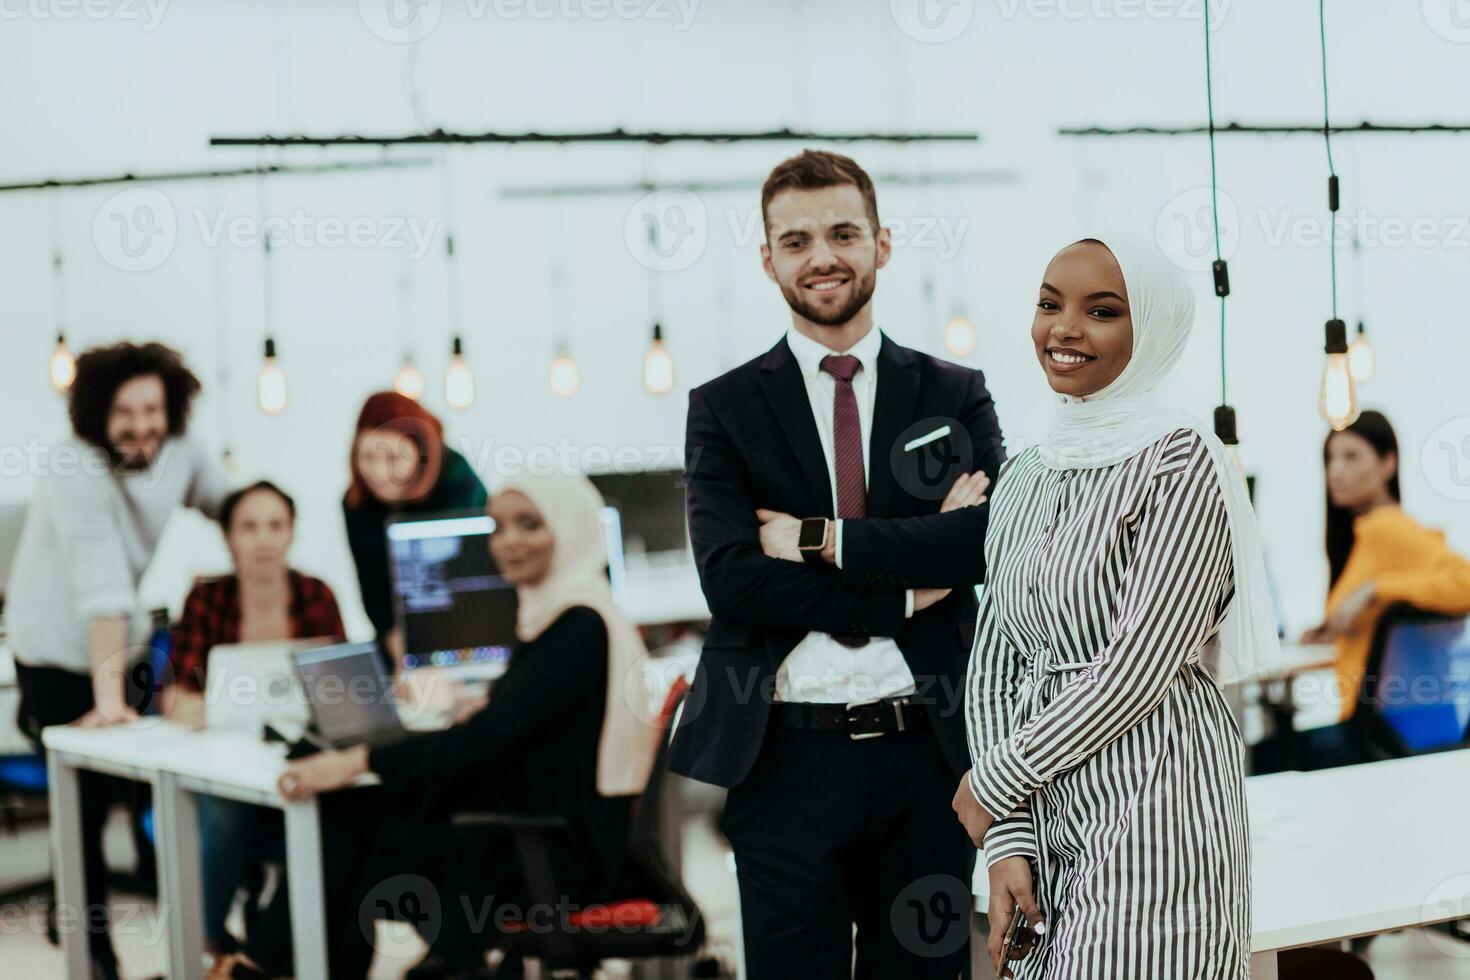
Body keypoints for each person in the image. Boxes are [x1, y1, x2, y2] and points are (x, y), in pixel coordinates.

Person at [672, 149, 1006, 977]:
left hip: (927, 754)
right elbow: (734, 581)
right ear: (768, 259)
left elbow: (982, 542)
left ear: (882, 243)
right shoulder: (723, 409)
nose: (821, 255)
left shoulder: (953, 392)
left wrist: (817, 540)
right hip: (784, 757)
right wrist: (902, 596)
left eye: (842, 232)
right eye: (795, 240)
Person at [953, 234, 1279, 979]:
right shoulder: (1028, 470)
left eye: (1101, 311)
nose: (1064, 328)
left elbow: (1137, 667)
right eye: (1048, 304)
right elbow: (994, 663)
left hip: (1158, 800)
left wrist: (994, 780)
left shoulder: (1180, 456)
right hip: (1045, 806)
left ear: (1152, 328)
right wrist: (1008, 837)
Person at [209, 474, 659, 979]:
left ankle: (255, 965)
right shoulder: (563, 613)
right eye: (499, 527)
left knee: (343, 843)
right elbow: (512, 725)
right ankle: (261, 964)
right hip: (523, 830)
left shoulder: (579, 626)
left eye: (529, 525)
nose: (508, 542)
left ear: (571, 528)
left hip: (545, 857)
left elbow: (483, 739)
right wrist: (484, 708)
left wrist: (357, 759)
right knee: (347, 821)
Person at [6, 341, 230, 979]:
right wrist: (107, 706)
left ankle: (196, 935)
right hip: (52, 648)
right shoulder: (74, 466)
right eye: (123, 414)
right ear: (96, 415)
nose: (141, 428)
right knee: (83, 802)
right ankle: (94, 949)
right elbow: (101, 588)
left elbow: (230, 506)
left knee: (145, 794)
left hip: (122, 640)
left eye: (152, 410)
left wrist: (263, 556)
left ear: (172, 408)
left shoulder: (182, 449)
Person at [162, 480, 346, 954]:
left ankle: (284, 947)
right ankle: (205, 940)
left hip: (300, 751)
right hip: (226, 757)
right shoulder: (206, 599)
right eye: (249, 527)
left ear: (291, 533)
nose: (263, 538)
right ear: (228, 537)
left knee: (339, 811)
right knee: (225, 814)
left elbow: (342, 687)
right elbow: (176, 696)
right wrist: (192, 707)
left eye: (275, 525)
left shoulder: (316, 595)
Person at [1295, 410, 1470, 768]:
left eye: (1351, 456)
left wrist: (1375, 589)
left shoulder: (1386, 528)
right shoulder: (1372, 533)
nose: (1335, 471)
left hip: (1386, 733)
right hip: (1422, 724)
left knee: (1257, 753)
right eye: (1330, 458)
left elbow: (1465, 582)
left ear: (1388, 463)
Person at [343, 392, 486, 662]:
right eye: (368, 457)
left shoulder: (457, 482)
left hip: (470, 633)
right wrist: (402, 655)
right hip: (398, 641)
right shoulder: (357, 504)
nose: (380, 473)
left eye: (394, 459)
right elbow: (373, 590)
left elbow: (474, 577)